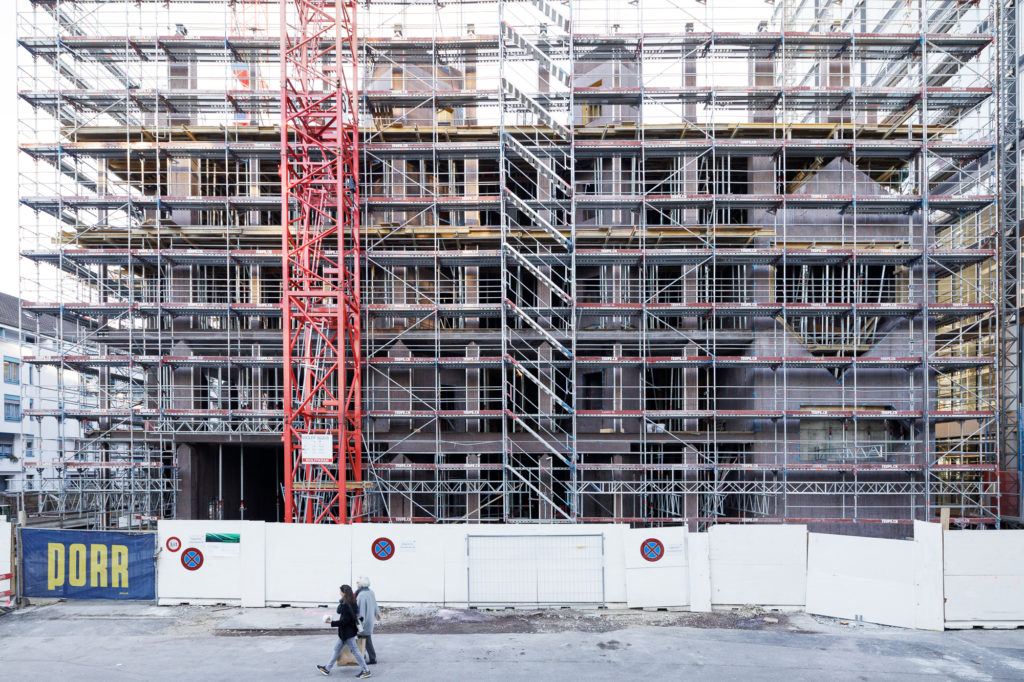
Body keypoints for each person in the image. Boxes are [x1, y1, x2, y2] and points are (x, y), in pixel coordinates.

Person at [317, 585, 371, 678]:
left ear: (344, 593)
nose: (339, 593)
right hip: (345, 633)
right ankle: (327, 668)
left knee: (355, 651)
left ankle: (366, 670)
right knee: (337, 649)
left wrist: (331, 622)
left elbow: (344, 621)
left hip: (347, 633)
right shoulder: (352, 602)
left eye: (340, 592)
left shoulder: (346, 605)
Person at [355, 576, 382, 665]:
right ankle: (366, 657)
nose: (357, 584)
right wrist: (378, 615)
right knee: (365, 639)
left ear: (361, 584)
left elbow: (359, 610)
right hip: (370, 620)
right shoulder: (371, 592)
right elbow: (375, 605)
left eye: (358, 582)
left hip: (363, 621)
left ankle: (369, 658)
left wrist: (359, 622)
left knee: (363, 639)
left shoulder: (361, 595)